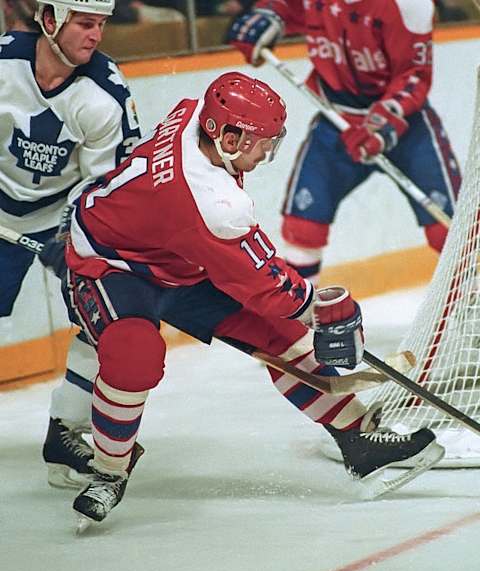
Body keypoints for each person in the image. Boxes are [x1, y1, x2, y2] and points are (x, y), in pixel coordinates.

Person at [45, 71, 444, 527]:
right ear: (228, 136)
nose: (266, 153)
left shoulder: (196, 114)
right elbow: (268, 285)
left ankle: (358, 441)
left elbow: (235, 262)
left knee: (281, 335)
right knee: (133, 354)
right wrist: (328, 310)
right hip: (111, 263)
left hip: (179, 255)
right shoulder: (210, 201)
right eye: (261, 143)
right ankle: (109, 472)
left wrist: (305, 315)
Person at [0, 0, 141, 486]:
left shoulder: (105, 93)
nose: (96, 35)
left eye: (101, 24)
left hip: (64, 217)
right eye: (85, 23)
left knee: (109, 318)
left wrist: (71, 233)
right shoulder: (3, 65)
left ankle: (65, 436)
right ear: (49, 20)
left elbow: (110, 185)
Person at [228, 0, 461, 283]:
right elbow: (285, 6)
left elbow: (414, 75)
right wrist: (267, 15)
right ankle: (300, 321)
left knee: (450, 230)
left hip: (406, 127)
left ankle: (471, 308)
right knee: (303, 228)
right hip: (336, 120)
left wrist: (380, 125)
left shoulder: (408, 4)